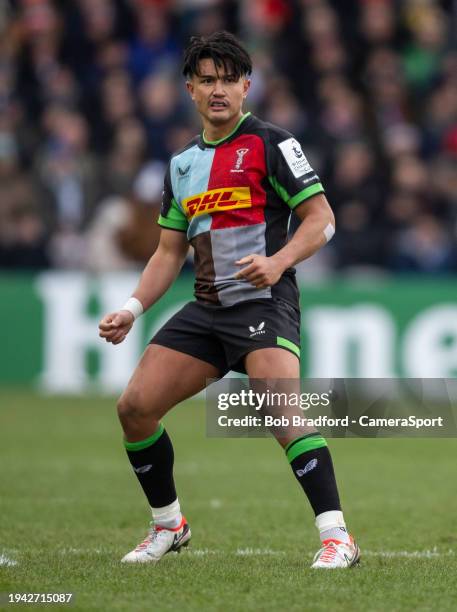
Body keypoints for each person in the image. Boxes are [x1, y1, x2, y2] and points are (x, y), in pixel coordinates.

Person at [99, 31, 360, 569]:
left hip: (264, 303)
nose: (218, 89)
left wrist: (279, 261)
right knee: (134, 409)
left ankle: (338, 539)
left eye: (228, 79)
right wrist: (131, 308)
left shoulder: (272, 143)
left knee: (281, 409)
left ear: (247, 85)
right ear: (190, 89)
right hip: (208, 308)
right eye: (206, 80)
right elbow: (168, 254)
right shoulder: (181, 165)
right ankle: (170, 526)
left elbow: (322, 220)